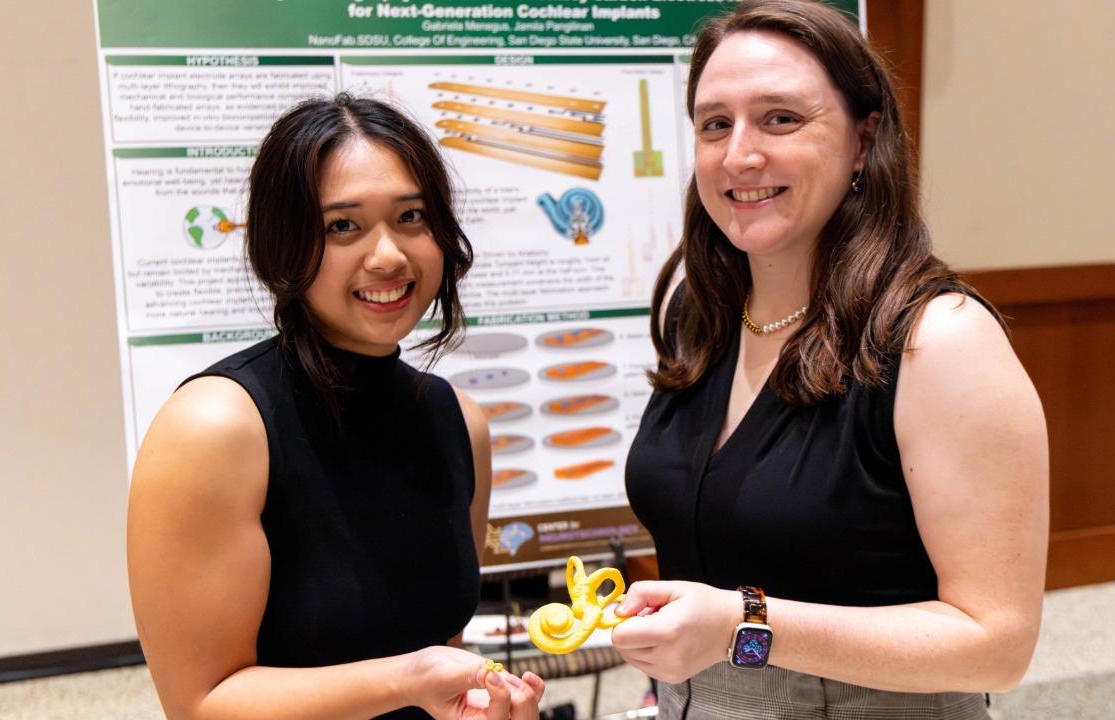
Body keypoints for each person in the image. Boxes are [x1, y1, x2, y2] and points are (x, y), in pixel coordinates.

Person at [612, 1, 1049, 717]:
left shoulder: (939, 340)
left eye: (780, 118)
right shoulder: (700, 313)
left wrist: (742, 627)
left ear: (864, 137)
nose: (739, 155)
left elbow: (995, 645)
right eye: (715, 123)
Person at [127, 93, 545, 720]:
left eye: (412, 216)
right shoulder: (217, 425)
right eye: (342, 226)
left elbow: (443, 662)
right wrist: (406, 679)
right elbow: (200, 704)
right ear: (283, 245)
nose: (389, 255)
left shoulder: (458, 420)